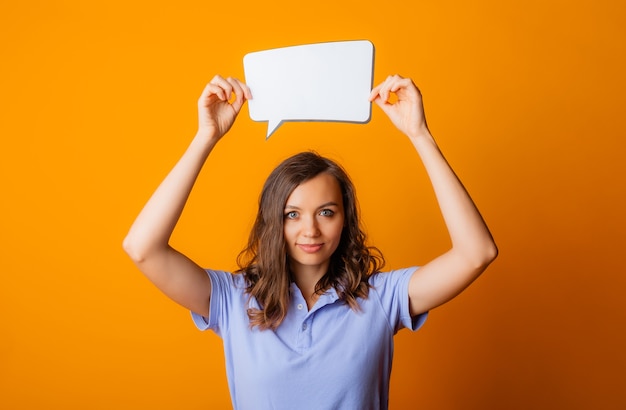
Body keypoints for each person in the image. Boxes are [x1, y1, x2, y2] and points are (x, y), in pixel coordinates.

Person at [123, 74, 498, 410]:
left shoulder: (382, 298)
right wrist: (206, 138)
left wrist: (420, 135)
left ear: (345, 220)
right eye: (292, 214)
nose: (310, 231)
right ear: (274, 223)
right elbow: (143, 248)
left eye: (326, 212)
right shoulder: (233, 300)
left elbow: (476, 252)